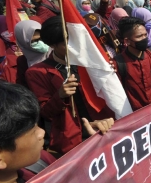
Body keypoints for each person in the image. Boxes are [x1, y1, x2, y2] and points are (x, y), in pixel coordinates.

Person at [0, 81, 114, 183]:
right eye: (32, 131)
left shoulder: (40, 163)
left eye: (36, 126)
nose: (41, 133)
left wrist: (97, 145)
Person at [25, 17, 115, 156]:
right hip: (75, 141)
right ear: (53, 45)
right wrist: (60, 95)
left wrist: (112, 73)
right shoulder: (37, 73)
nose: (73, 45)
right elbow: (45, 112)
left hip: (105, 127)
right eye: (66, 42)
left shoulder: (91, 61)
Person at [114, 17, 151, 111]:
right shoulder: (118, 63)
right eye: (139, 36)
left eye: (145, 35)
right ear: (127, 41)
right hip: (136, 115)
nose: (144, 39)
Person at [14, 20, 50, 88]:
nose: (41, 43)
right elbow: (22, 86)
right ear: (23, 42)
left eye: (41, 39)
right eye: (34, 41)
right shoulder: (22, 61)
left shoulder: (56, 54)